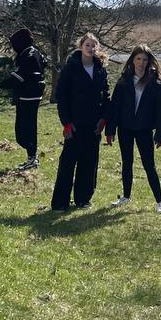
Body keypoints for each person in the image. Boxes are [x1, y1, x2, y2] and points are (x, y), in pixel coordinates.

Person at [105, 44, 161, 214]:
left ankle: (160, 202)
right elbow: (115, 107)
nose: (141, 62)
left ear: (149, 62)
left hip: (144, 129)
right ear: (133, 60)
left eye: (145, 59)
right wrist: (110, 130)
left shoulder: (156, 83)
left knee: (149, 165)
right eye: (138, 59)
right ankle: (126, 196)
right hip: (125, 128)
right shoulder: (123, 81)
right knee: (127, 162)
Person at [51, 32, 110, 212]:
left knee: (89, 162)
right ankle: (60, 202)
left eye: (94, 45)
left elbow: (106, 96)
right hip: (75, 124)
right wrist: (66, 122)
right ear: (81, 47)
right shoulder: (71, 68)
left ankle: (83, 199)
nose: (91, 48)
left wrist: (103, 119)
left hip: (94, 125)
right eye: (87, 45)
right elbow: (62, 97)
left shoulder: (100, 69)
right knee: (68, 163)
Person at [0, 27, 46, 171]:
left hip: (29, 96)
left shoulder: (29, 55)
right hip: (30, 95)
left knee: (25, 129)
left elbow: (20, 77)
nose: (13, 48)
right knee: (26, 127)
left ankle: (32, 157)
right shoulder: (32, 52)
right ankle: (32, 157)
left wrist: (1, 85)